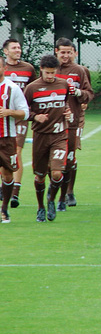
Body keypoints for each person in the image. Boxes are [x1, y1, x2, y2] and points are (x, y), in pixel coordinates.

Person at [24, 55, 72, 222]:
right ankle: (40, 207)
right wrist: (35, 117)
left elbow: (65, 104)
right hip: (40, 136)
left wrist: (67, 112)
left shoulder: (63, 84)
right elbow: (23, 111)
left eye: (53, 73)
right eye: (47, 73)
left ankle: (51, 200)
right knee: (40, 176)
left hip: (59, 135)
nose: (50, 76)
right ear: (41, 70)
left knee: (57, 173)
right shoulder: (32, 88)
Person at [54, 38, 93, 208]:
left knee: (70, 158)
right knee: (54, 160)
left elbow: (89, 93)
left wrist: (78, 93)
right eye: (63, 52)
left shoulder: (79, 70)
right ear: (56, 51)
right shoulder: (50, 69)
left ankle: (68, 192)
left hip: (72, 122)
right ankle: (55, 191)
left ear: (74, 53)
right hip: (53, 122)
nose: (66, 55)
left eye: (69, 52)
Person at [2, 38, 36, 207]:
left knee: (17, 150)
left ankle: (15, 190)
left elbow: (34, 89)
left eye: (19, 47)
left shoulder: (28, 68)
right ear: (5, 51)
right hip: (2, 118)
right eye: (14, 48)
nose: (18, 50)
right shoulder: (2, 69)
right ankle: (5, 185)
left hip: (19, 116)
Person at [0, 56, 29, 223]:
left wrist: (9, 112)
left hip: (7, 138)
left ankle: (4, 209)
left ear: (5, 69)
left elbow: (25, 112)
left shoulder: (12, 88)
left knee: (8, 174)